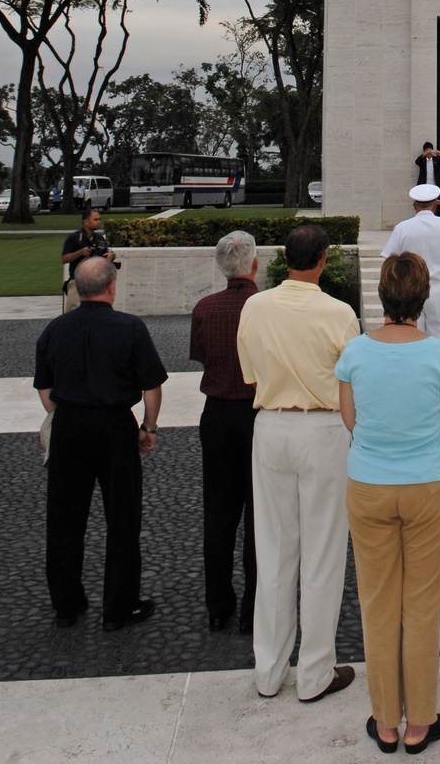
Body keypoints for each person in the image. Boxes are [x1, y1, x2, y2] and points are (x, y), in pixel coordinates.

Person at [337, 253, 440, 754]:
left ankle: (387, 720)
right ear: (423, 296)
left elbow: (350, 420)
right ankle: (420, 723)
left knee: (378, 603)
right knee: (422, 605)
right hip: (429, 482)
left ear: (382, 296)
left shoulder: (355, 353)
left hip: (368, 483)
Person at [236, 224, 360, 703]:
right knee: (324, 552)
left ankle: (268, 670)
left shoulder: (255, 306)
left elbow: (251, 372)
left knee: (273, 548)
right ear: (324, 259)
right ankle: (313, 673)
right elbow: (352, 380)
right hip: (323, 430)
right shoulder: (338, 312)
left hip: (270, 425)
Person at [33, 255, 167, 631]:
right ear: (112, 287)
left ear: (77, 288)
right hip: (114, 426)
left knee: (64, 519)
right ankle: (118, 607)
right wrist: (149, 427)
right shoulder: (131, 327)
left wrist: (61, 417)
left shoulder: (54, 329)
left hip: (69, 425)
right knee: (122, 518)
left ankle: (66, 604)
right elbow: (151, 385)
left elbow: (44, 387)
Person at [189, 229, 259, 633]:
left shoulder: (205, 308)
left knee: (218, 514)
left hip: (216, 415)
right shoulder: (263, 307)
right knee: (258, 515)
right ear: (253, 264)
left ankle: (218, 606)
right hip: (254, 414)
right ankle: (252, 608)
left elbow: (200, 355)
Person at [381, 184, 440, 341]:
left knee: (412, 337)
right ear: (435, 205)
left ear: (414, 206)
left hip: (410, 287)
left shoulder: (402, 228)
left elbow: (390, 260)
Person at [61, 205, 118, 312]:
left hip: (98, 282)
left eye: (99, 219)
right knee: (73, 311)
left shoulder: (99, 238)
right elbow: (64, 259)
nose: (98, 222)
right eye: (95, 219)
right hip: (77, 281)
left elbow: (108, 252)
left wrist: (111, 255)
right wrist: (80, 252)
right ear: (86, 222)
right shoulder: (74, 238)